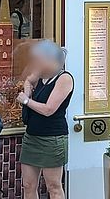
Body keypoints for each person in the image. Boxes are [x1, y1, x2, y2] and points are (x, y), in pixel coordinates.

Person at [17, 40, 74, 199]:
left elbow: (49, 109)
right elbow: (28, 80)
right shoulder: (40, 74)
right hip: (32, 136)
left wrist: (26, 101)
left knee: (53, 186)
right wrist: (27, 90)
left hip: (52, 139)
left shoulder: (64, 78)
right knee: (28, 185)